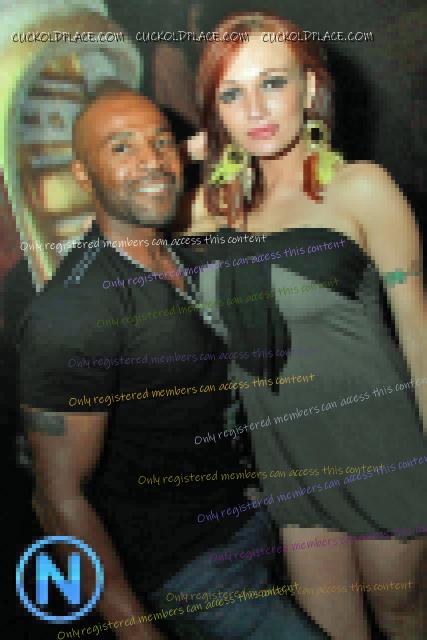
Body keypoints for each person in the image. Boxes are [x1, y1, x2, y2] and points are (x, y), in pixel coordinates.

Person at [17, 86, 327, 640]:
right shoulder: (75, 311)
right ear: (83, 176)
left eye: (161, 142)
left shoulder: (180, 255)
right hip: (188, 566)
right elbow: (57, 498)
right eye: (121, 147)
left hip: (252, 520)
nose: (152, 161)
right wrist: (135, 629)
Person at [184, 11, 427, 640]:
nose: (256, 109)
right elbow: (125, 236)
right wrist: (190, 155)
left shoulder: (362, 189)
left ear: (310, 86)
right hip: (289, 465)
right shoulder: (210, 209)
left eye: (273, 82)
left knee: (403, 619)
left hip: (380, 451)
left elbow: (418, 336)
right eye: (231, 94)